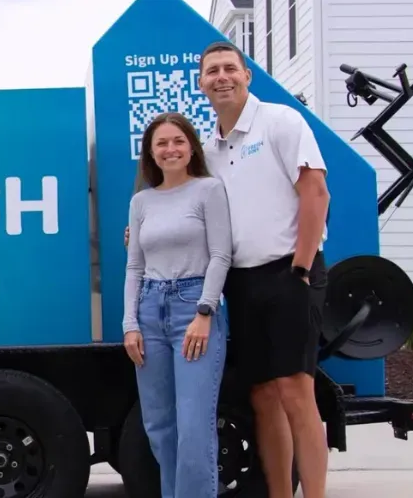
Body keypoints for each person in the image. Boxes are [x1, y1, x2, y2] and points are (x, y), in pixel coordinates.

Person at [198, 40, 331, 498]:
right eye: (212, 71)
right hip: (243, 280)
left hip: (293, 271)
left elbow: (316, 193)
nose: (222, 77)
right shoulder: (207, 148)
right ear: (201, 84)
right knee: (263, 396)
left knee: (296, 390)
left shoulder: (280, 121)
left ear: (247, 75)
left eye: (229, 68)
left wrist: (300, 268)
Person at [123, 111, 233, 497]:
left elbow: (221, 255)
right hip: (150, 310)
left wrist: (205, 312)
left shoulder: (208, 190)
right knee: (159, 426)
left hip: (194, 307)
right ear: (151, 154)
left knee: (193, 425)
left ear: (191, 148)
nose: (170, 149)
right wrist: (130, 324)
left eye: (178, 141)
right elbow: (134, 265)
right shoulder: (141, 202)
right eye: (161, 144)